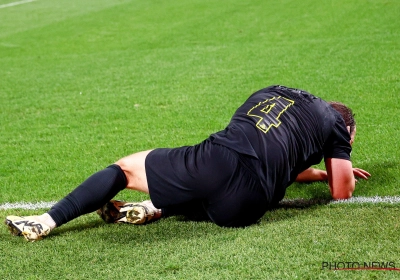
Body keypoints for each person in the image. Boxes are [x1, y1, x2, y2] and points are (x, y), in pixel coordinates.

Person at [5, 85, 370, 241]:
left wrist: (325, 171)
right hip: (247, 207)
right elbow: (342, 192)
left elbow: (267, 144)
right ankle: (154, 209)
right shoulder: (336, 124)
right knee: (221, 190)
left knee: (126, 167)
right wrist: (336, 167)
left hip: (217, 163)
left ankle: (44, 221)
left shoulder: (271, 91)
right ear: (347, 128)